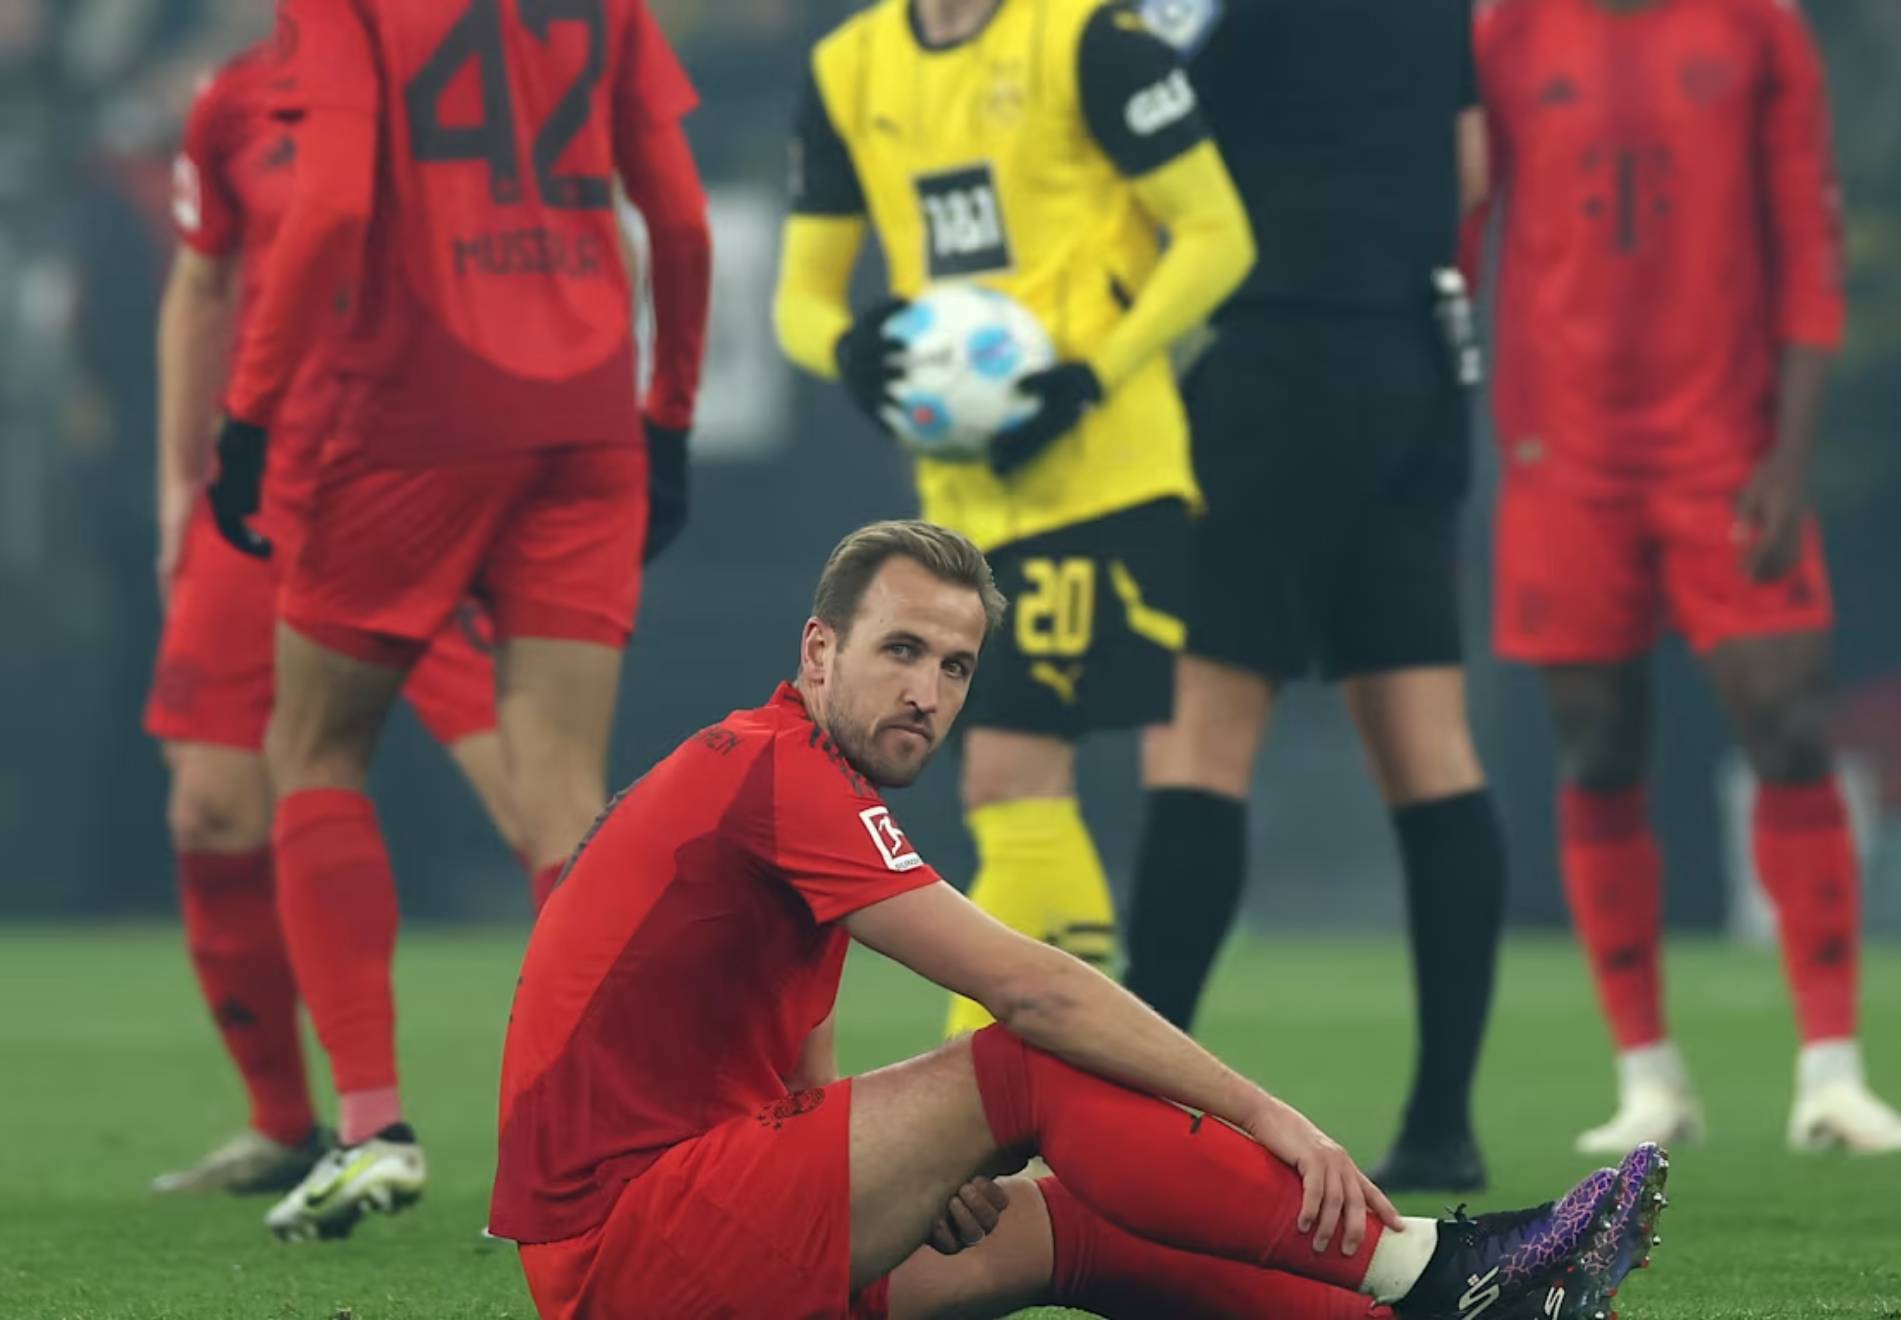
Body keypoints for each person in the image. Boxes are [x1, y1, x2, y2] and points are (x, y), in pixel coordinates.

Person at [489, 518, 1670, 1320]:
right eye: (901, 650)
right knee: (1020, 1070)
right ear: (817, 648)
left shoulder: (790, 774)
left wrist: (889, 1169)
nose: (927, 692)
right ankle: (1441, 1267)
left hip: (680, 1219)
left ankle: (1454, 1305)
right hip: (625, 1261)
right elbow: (1035, 994)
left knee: (1071, 1223)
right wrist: (1269, 1114)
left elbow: (793, 1056)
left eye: (955, 668)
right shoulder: (774, 771)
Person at [201, 0, 712, 1237]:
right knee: (563, 789)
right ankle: (614, 1145)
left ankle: (372, 1127)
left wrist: (252, 413)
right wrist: (671, 407)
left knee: (317, 750)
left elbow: (326, 207)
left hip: (408, 415)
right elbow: (682, 218)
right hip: (589, 416)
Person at [1470, 0, 1901, 1154]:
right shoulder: (1508, 28)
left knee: (1786, 722)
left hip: (1726, 449)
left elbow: (1808, 242)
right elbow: (1467, 225)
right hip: (1562, 457)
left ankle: (1832, 1070)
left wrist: (1789, 453)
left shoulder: (1754, 24)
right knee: (1597, 746)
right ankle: (1647, 1078)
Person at [773, 0, 1255, 1037]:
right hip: (963, 501)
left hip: (1108, 477)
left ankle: (974, 1110)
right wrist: (851, 352)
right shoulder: (847, 69)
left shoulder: (1089, 40)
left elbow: (1219, 234)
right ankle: (1069, 1078)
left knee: (1008, 775)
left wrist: (1094, 375)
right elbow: (799, 298)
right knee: (1023, 795)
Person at [1122, 0, 1508, 1194]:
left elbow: (1143, 142)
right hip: (1414, 365)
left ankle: (1134, 1102)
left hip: (1267, 364)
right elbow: (1473, 166)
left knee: (1199, 738)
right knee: (1429, 747)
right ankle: (1443, 1120)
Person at [145, 35, 527, 1195]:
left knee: (539, 799)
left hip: (425, 480)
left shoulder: (477, 75)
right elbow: (205, 283)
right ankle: (287, 1125)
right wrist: (180, 477)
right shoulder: (232, 95)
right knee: (215, 810)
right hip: (263, 490)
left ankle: (644, 1119)